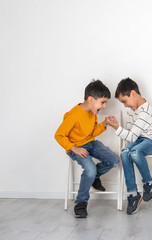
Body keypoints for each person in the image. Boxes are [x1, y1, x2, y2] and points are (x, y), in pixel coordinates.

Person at [54, 80, 120, 218]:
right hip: (76, 147)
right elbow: (59, 135)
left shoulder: (92, 113)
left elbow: (91, 133)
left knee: (114, 160)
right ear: (90, 99)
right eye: (102, 102)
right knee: (90, 168)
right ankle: (81, 203)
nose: (104, 106)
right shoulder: (74, 115)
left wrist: (105, 123)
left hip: (91, 143)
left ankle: (95, 176)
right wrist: (74, 148)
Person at [107, 78, 152, 215]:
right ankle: (133, 194)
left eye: (124, 101)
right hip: (139, 141)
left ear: (133, 93)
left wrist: (116, 127)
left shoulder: (145, 111)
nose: (124, 106)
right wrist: (127, 147)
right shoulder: (132, 111)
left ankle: (148, 182)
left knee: (135, 152)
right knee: (125, 152)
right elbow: (132, 136)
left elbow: (131, 137)